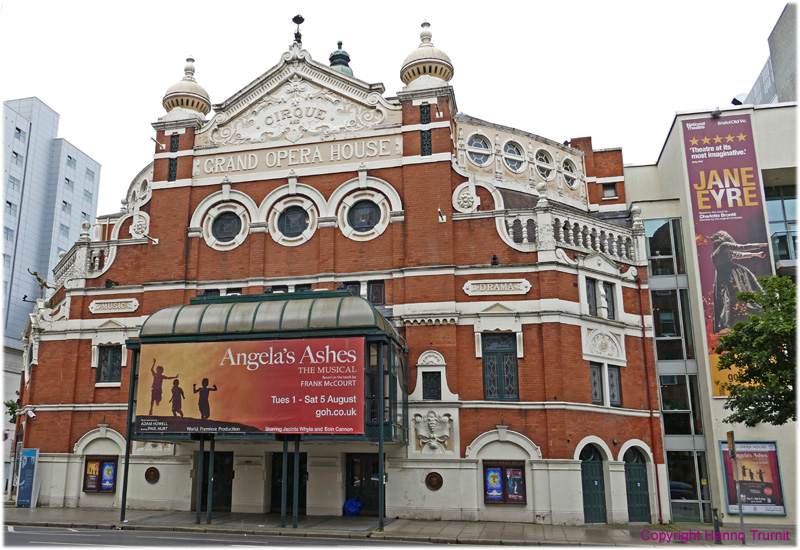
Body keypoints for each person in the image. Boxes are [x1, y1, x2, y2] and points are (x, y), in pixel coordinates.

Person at [710, 230, 768, 333]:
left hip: (725, 274)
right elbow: (741, 250)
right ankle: (733, 320)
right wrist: (759, 248)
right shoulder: (722, 247)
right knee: (729, 297)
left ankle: (732, 321)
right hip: (726, 273)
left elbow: (739, 252)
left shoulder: (721, 248)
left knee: (728, 298)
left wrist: (757, 252)